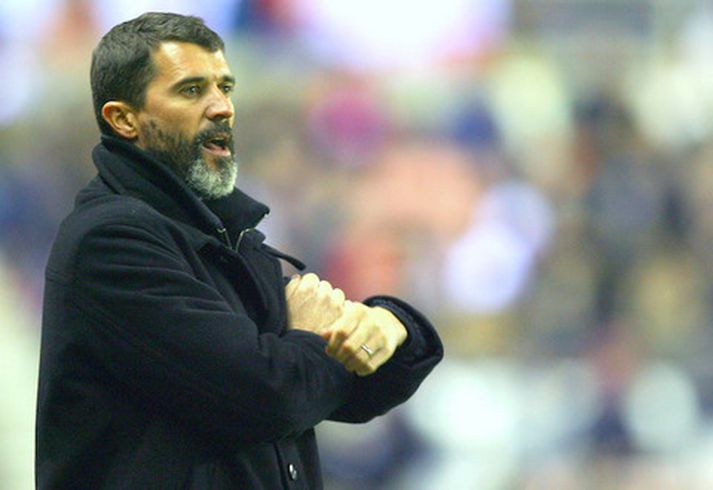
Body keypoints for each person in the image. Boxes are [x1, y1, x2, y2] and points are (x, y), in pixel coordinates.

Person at [36, 12, 443, 489]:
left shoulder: (229, 235)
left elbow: (342, 392)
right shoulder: (110, 242)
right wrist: (311, 338)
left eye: (224, 87)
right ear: (124, 119)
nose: (222, 107)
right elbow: (270, 397)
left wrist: (392, 325)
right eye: (192, 90)